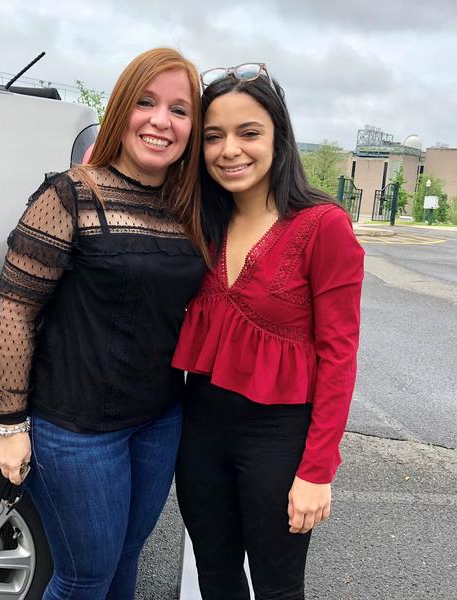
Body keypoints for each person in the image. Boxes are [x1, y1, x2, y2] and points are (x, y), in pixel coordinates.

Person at [0, 48, 207, 599]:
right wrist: (10, 424)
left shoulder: (190, 209)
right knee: (84, 576)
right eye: (147, 102)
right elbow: (16, 307)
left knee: (125, 558)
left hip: (158, 420)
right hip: (76, 429)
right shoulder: (70, 194)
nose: (162, 121)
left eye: (180, 110)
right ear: (119, 112)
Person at [172, 63, 365, 599]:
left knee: (278, 589)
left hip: (279, 440)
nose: (229, 149)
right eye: (214, 137)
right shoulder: (201, 222)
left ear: (279, 137)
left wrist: (318, 470)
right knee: (215, 577)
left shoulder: (322, 226)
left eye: (248, 132)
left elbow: (339, 355)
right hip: (201, 432)